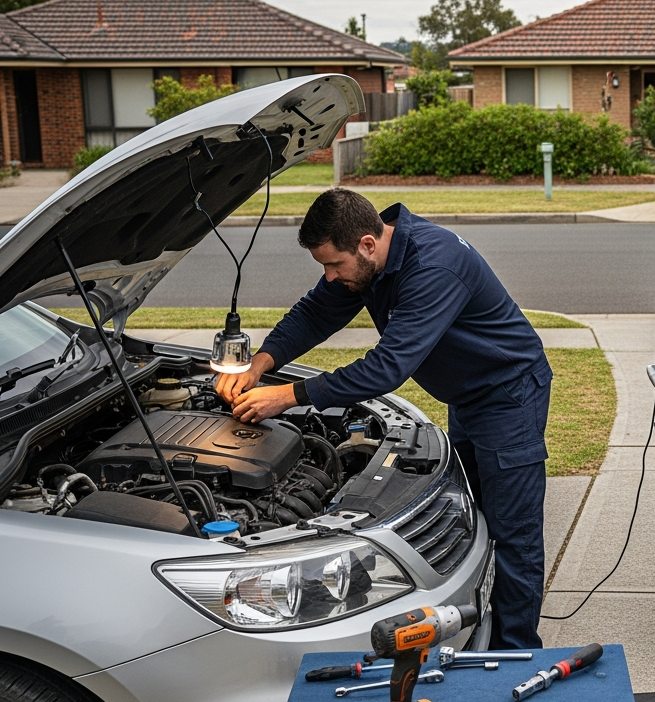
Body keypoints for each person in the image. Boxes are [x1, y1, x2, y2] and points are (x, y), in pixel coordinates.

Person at [215, 188, 551, 650]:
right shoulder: (373, 260)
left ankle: (516, 654)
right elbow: (315, 312)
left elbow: (388, 366)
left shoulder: (433, 266)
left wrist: (290, 396)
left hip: (509, 396)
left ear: (367, 244)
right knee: (476, 523)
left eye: (334, 265)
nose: (330, 277)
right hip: (468, 396)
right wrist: (261, 363)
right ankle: (482, 627)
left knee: (514, 533)